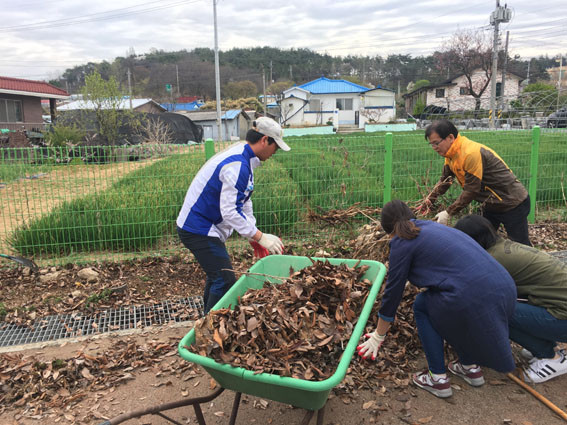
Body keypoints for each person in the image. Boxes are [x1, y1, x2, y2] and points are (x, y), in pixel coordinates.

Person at [357, 200, 517, 398]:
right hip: (505, 288)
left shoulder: (401, 241)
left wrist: (378, 336)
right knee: (448, 303)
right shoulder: (433, 228)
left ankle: (437, 378)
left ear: (387, 230)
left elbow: (393, 292)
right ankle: (469, 366)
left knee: (423, 305)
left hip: (473, 296)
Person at [176, 117, 290, 313]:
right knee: (224, 279)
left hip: (203, 226)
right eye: (275, 147)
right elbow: (229, 211)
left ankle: (206, 320)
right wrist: (259, 236)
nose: (275, 152)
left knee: (217, 276)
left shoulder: (244, 157)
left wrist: (253, 234)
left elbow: (244, 200)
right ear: (265, 140)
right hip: (197, 228)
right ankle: (210, 326)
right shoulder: (238, 165)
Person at [454, 214, 567, 384]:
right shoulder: (505, 247)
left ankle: (552, 358)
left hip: (562, 317)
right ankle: (546, 346)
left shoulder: (493, 259)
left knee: (494, 311)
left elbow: (473, 292)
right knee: (505, 305)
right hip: (558, 308)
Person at [416, 119, 531, 246]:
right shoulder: (450, 155)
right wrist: (429, 201)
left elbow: (471, 190)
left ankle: (534, 259)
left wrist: (448, 212)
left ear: (450, 138)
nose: (434, 148)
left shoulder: (470, 153)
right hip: (491, 204)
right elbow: (445, 181)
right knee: (480, 242)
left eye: (436, 143)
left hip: (512, 202)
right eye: (431, 144)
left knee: (521, 245)